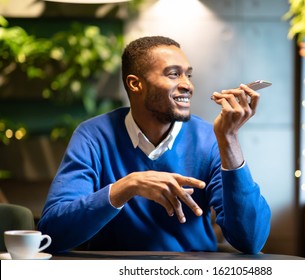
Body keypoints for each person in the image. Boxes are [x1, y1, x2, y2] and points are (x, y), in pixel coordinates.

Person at [38, 36, 271, 254]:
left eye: (188, 75)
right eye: (173, 74)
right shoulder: (93, 136)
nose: (187, 85)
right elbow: (52, 233)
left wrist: (229, 139)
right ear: (135, 84)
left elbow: (250, 240)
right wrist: (127, 186)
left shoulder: (210, 138)